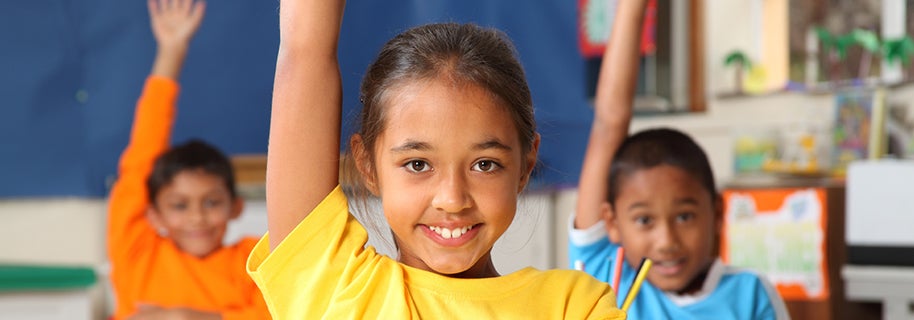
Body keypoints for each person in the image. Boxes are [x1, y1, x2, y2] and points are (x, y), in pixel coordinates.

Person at [244, 0, 626, 318]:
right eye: (418, 164)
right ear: (367, 165)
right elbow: (303, 50)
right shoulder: (335, 289)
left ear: (525, 166)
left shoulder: (574, 306)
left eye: (484, 164)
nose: (452, 198)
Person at [567, 0, 790, 318]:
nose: (666, 241)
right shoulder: (605, 278)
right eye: (644, 220)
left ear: (716, 213)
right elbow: (608, 124)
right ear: (612, 223)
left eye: (684, 217)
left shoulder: (749, 295)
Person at [107, 0, 269, 318]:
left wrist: (187, 317)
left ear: (235, 206)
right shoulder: (138, 251)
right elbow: (143, 152)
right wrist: (171, 51)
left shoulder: (253, 261)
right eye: (179, 205)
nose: (197, 217)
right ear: (153, 214)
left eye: (211, 202)